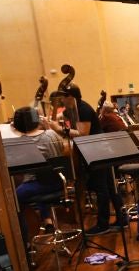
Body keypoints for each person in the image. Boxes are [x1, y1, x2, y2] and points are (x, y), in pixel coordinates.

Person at [49, 84, 126, 235]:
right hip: (96, 150)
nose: (61, 101)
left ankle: (103, 224)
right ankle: (122, 219)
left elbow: (83, 133)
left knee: (102, 188)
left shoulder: (83, 108)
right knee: (110, 187)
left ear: (70, 97)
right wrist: (53, 119)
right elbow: (60, 117)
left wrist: (58, 129)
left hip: (99, 151)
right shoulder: (73, 109)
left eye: (63, 98)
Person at [10, 106, 64, 243]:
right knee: (39, 182)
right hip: (59, 182)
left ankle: (25, 241)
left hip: (39, 185)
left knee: (13, 199)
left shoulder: (22, 142)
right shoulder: (51, 134)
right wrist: (47, 127)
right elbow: (62, 148)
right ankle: (47, 220)